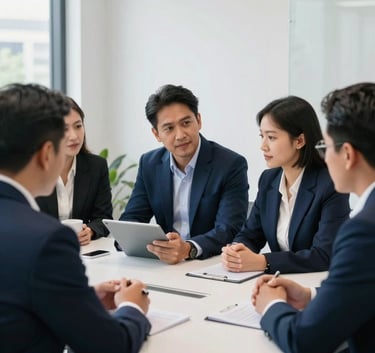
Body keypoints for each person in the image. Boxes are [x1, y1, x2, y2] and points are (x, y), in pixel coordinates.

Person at [0, 83, 150, 353]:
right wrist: (132, 307)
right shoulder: (47, 240)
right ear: (47, 154)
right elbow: (108, 346)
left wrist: (79, 299)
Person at [252, 82, 375, 353]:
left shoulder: (364, 230)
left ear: (348, 154)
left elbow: (305, 341)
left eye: (326, 146)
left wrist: (271, 305)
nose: (323, 156)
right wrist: (311, 295)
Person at [119, 84, 249, 264]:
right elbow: (132, 218)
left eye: (186, 123)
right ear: (156, 134)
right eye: (169, 128)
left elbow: (228, 229)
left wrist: (188, 248)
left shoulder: (230, 164)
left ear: (199, 121)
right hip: (166, 265)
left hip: (211, 262)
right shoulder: (150, 164)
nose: (180, 135)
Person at [221, 96, 350, 274]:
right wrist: (235, 251)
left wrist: (263, 261)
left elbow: (323, 255)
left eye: (271, 137)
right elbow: (251, 234)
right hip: (278, 280)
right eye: (262, 136)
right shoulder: (268, 179)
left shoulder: (330, 184)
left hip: (316, 283)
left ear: (299, 141)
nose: (263, 146)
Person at [36, 97, 113, 245]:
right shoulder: (33, 170)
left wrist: (90, 231)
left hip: (83, 252)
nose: (74, 136)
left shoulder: (97, 166)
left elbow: (104, 218)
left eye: (78, 126)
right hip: (43, 250)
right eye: (64, 129)